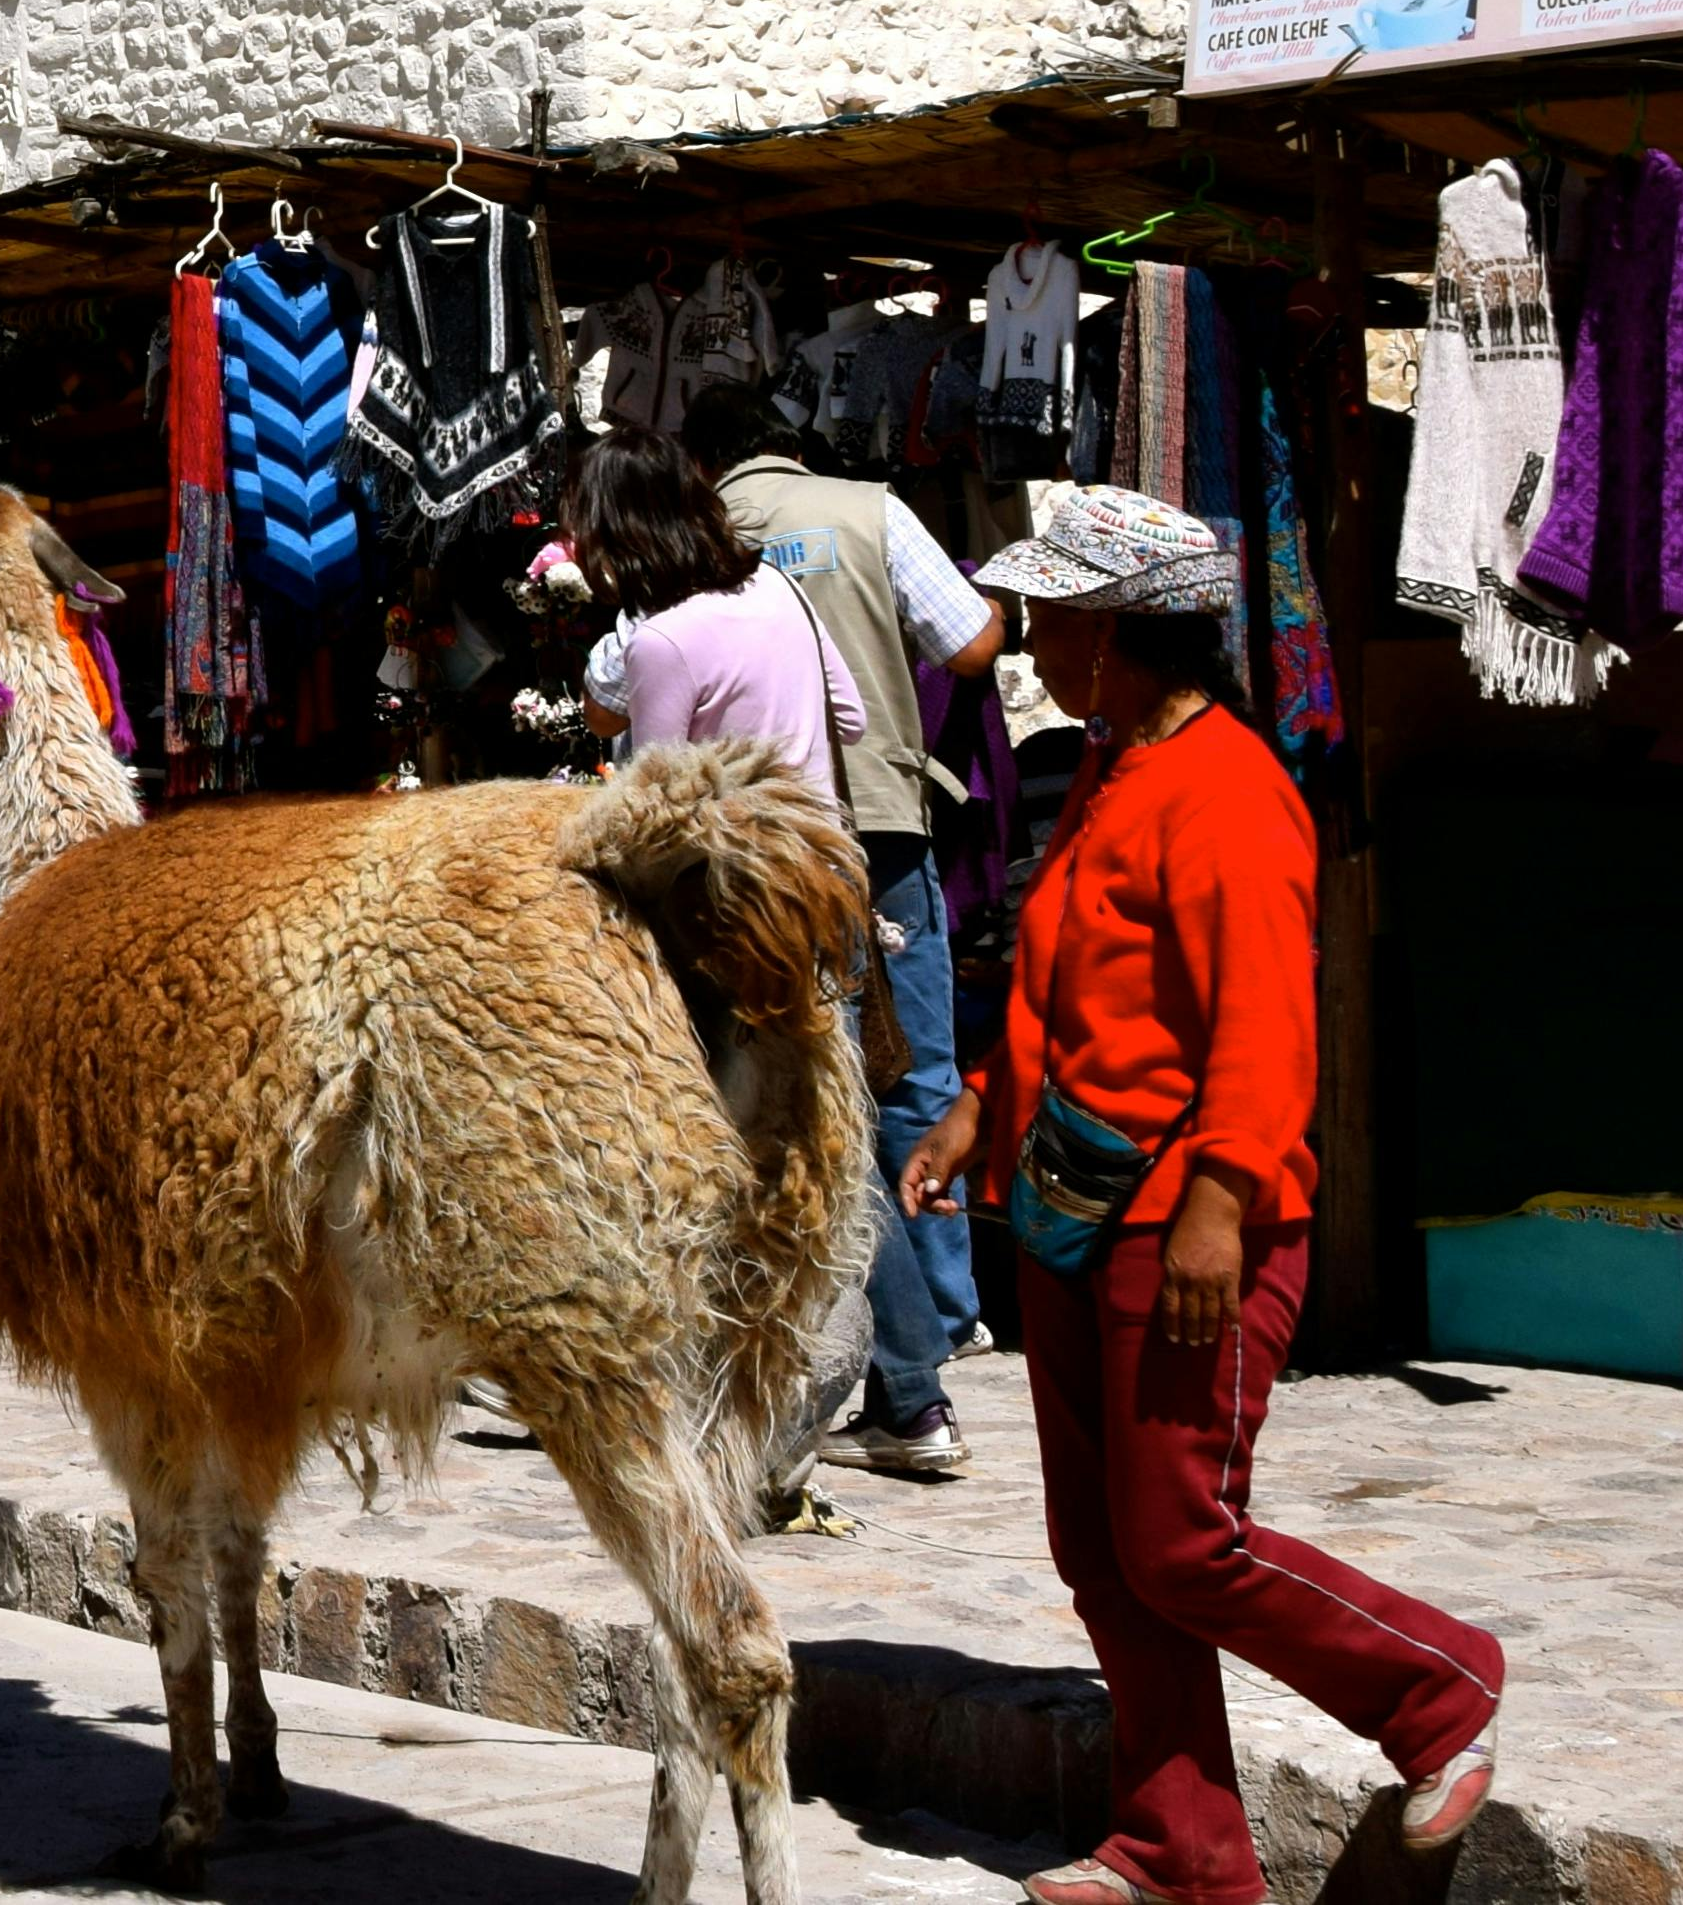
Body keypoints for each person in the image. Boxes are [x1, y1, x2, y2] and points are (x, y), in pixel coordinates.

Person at [915, 486, 1499, 1905]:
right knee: (1100, 1549)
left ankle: (1438, 1687)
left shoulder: (1232, 788)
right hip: (1074, 1209)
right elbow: (1069, 973)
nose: (1029, 638)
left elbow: (1261, 1023)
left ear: (1118, 631)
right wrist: (982, 1101)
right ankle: (1180, 1847)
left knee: (1180, 1536)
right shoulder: (1117, 767)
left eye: (1050, 614)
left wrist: (1222, 1200)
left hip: (1189, 1223)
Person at [688, 377, 1008, 1481]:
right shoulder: (872, 508)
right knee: (911, 1072)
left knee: (798, 1097)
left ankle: (870, 1365)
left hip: (762, 847)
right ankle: (948, 1313)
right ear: (789, 441)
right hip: (882, 822)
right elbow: (972, 645)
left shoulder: (700, 531)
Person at [569, 432, 861, 800]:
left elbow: (657, 800)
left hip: (731, 852)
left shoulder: (659, 639)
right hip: (819, 848)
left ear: (605, 529)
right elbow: (850, 720)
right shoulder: (777, 584)